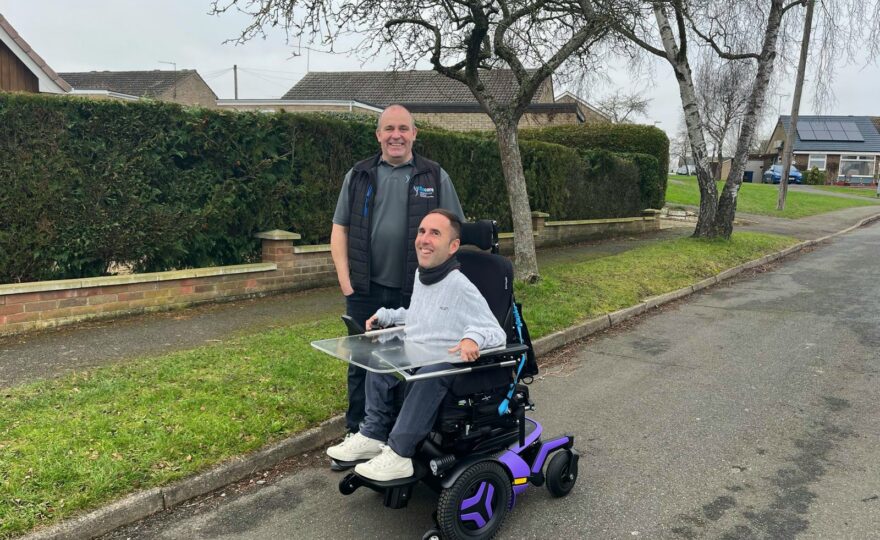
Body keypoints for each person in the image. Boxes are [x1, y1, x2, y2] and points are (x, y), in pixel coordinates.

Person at [326, 210, 506, 481]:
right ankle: (373, 433)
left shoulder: (460, 286)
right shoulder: (424, 276)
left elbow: (495, 331)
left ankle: (400, 454)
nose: (424, 239)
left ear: (453, 246)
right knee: (378, 352)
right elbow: (420, 316)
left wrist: (472, 339)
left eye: (435, 233)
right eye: (421, 231)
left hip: (446, 364)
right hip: (418, 352)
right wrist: (388, 315)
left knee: (428, 374)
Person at [331, 105, 465, 437]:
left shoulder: (434, 176)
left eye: (403, 129)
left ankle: (400, 436)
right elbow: (340, 229)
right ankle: (357, 431)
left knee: (411, 361)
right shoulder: (358, 176)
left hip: (416, 289)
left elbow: (453, 232)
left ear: (414, 134)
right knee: (362, 363)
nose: (396, 135)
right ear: (378, 135)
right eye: (389, 128)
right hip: (366, 288)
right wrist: (346, 282)